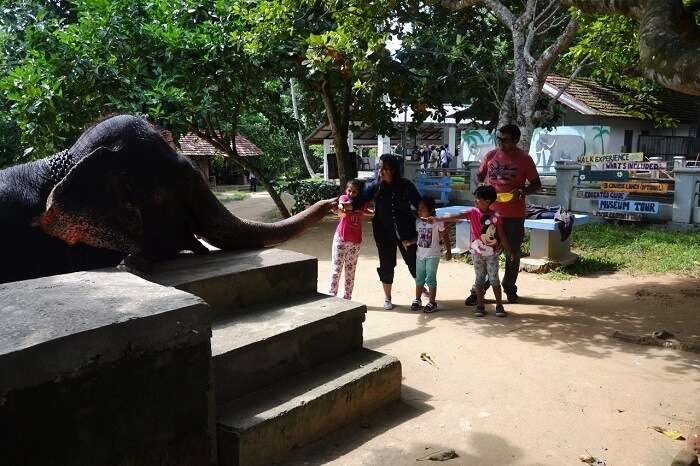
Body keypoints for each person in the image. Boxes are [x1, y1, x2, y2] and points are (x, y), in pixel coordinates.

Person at [464, 124, 542, 305]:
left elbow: (536, 184)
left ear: (515, 141)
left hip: (513, 215)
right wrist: (480, 185)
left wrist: (523, 191)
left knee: (512, 253)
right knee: (484, 252)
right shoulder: (491, 156)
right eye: (499, 139)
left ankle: (509, 287)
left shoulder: (525, 159)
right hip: (488, 214)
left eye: (505, 140)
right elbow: (478, 175)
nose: (501, 143)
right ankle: (479, 290)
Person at [349, 154, 421, 310]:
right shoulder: (375, 186)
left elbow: (420, 204)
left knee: (413, 262)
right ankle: (388, 298)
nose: (381, 171)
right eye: (379, 167)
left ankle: (420, 294)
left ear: (394, 170)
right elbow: (358, 201)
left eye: (385, 168)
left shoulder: (406, 185)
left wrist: (430, 219)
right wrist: (342, 205)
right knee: (386, 264)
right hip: (383, 232)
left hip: (407, 232)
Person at [430, 186, 515, 317]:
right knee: (479, 280)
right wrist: (438, 219)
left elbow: (502, 235)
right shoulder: (472, 212)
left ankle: (499, 305)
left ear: (487, 201)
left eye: (478, 199)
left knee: (494, 279)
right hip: (477, 254)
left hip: (492, 254)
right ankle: (480, 306)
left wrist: (509, 251)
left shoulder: (495, 216)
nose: (475, 201)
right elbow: (457, 215)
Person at [328, 179, 372, 300]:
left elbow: (366, 211)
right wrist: (339, 209)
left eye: (354, 192)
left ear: (360, 193)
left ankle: (347, 296)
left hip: (355, 242)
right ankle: (332, 294)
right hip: (341, 239)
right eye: (349, 190)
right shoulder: (344, 198)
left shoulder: (362, 203)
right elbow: (342, 206)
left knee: (350, 271)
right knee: (336, 268)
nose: (350, 194)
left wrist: (377, 213)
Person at [405, 196, 449, 313]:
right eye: (418, 209)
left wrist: (448, 250)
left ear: (431, 209)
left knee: (430, 278)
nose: (419, 211)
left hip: (433, 255)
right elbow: (419, 237)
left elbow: (445, 234)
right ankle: (417, 299)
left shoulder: (438, 221)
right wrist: (410, 242)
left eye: (422, 209)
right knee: (419, 278)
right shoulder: (418, 222)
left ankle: (432, 302)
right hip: (420, 255)